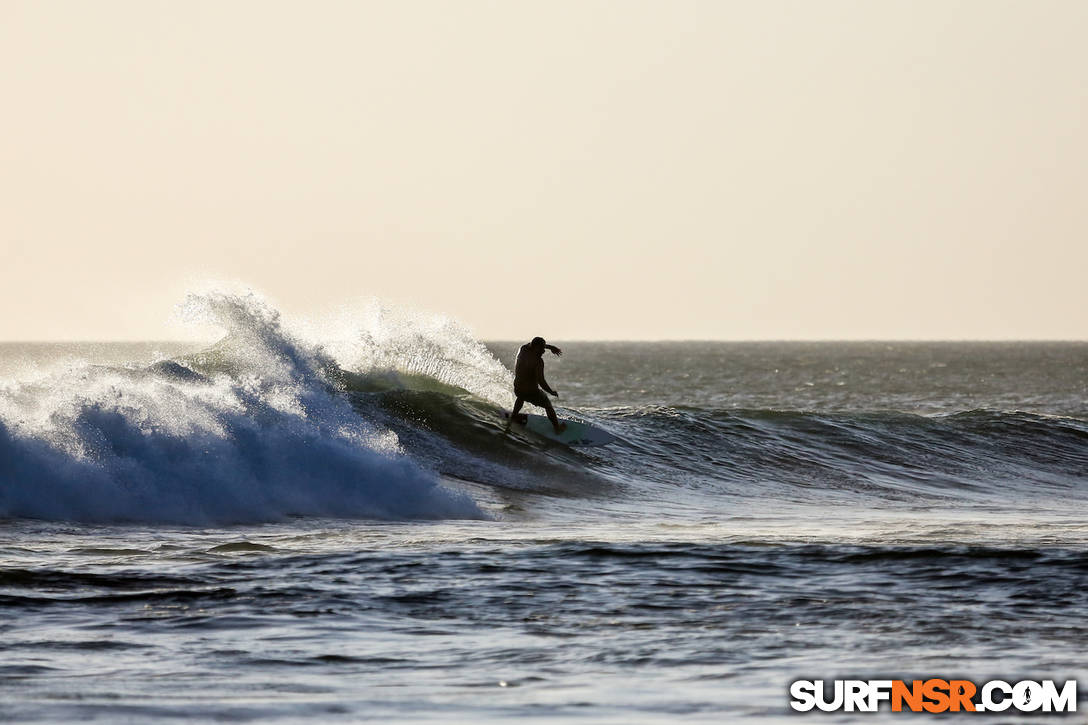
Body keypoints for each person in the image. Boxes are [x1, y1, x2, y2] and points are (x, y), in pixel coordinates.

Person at [511, 336, 566, 434]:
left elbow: (532, 344)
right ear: (536, 347)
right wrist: (550, 391)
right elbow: (541, 381)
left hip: (518, 388)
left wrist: (550, 347)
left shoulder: (523, 349)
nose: (543, 351)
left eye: (544, 348)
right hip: (531, 392)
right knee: (548, 405)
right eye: (542, 349)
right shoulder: (538, 361)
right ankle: (557, 428)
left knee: (521, 396)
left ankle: (513, 416)